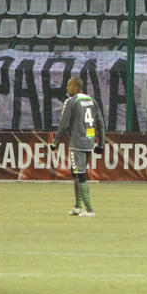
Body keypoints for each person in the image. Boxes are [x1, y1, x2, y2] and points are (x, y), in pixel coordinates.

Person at [50, 77, 105, 217]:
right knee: (77, 174)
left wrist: (55, 142)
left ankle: (90, 210)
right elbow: (100, 123)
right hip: (88, 142)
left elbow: (63, 125)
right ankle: (77, 206)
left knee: (80, 175)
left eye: (68, 85)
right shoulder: (92, 101)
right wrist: (101, 143)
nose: (67, 88)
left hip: (77, 143)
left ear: (76, 87)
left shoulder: (71, 102)